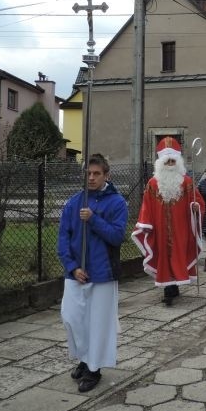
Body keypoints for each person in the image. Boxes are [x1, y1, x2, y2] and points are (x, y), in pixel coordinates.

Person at [57, 153, 128, 393]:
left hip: (103, 272)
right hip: (76, 272)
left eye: (96, 173)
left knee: (97, 324)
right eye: (88, 173)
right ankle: (84, 358)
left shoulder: (116, 202)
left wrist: (94, 219)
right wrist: (72, 267)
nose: (91, 178)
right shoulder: (74, 202)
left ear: (106, 175)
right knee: (71, 317)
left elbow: (117, 236)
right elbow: (63, 237)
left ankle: (94, 367)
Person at [132, 137, 205, 306]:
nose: (170, 164)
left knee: (179, 256)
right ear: (161, 162)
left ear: (178, 162)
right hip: (160, 229)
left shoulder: (187, 182)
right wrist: (145, 223)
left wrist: (195, 206)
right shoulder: (152, 184)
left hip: (182, 228)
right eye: (167, 161)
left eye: (173, 161)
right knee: (163, 257)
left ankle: (174, 286)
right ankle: (168, 290)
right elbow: (146, 205)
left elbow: (199, 201)